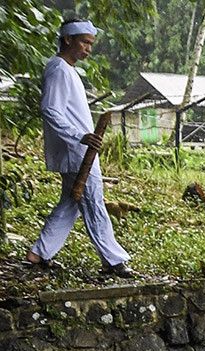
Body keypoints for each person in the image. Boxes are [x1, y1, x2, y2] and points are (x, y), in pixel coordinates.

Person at [24, 19, 132, 278]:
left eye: (91, 44)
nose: (88, 49)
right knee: (93, 201)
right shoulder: (59, 69)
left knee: (71, 201)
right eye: (84, 42)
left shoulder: (67, 70)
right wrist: (79, 136)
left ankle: (39, 252)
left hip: (81, 150)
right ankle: (113, 260)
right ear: (68, 40)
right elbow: (51, 109)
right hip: (76, 152)